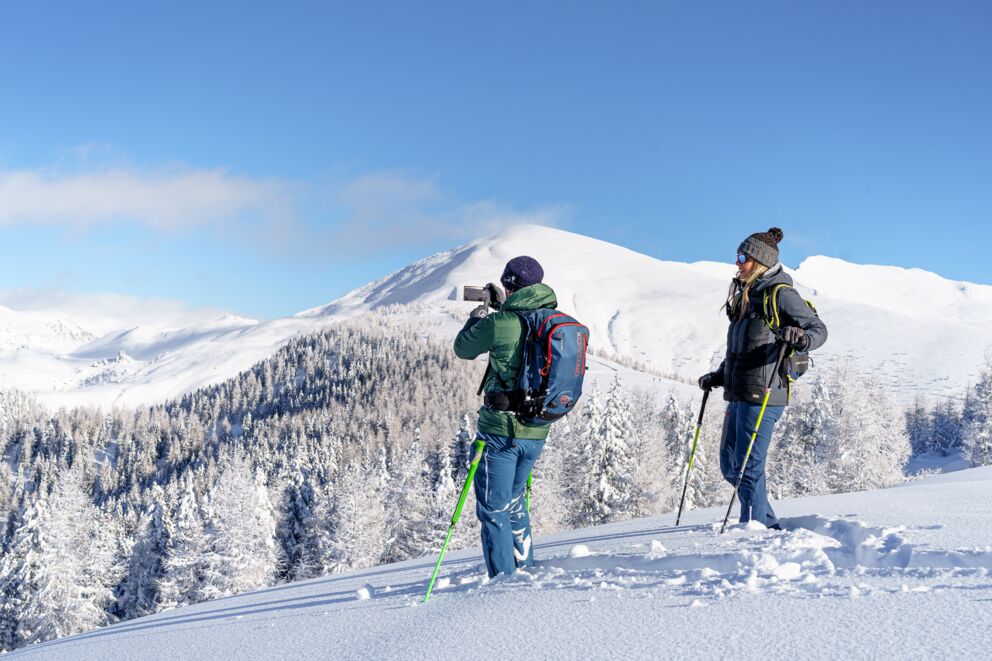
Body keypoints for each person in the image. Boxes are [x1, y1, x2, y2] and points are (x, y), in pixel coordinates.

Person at [698, 228, 827, 529]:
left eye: (743, 258)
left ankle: (755, 530)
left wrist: (801, 337)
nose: (737, 263)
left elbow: (819, 330)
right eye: (738, 257)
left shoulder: (781, 294)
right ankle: (766, 523)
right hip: (738, 391)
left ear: (760, 261)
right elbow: (741, 349)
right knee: (730, 465)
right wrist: (718, 376)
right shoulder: (746, 297)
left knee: (748, 466)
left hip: (766, 392)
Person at [453, 255, 555, 577]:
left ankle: (503, 586)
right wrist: (503, 308)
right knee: (514, 502)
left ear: (509, 285)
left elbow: (464, 348)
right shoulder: (551, 320)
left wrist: (478, 315)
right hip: (537, 430)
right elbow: (521, 331)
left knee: (493, 508)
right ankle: (525, 568)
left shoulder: (499, 323)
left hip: (500, 432)